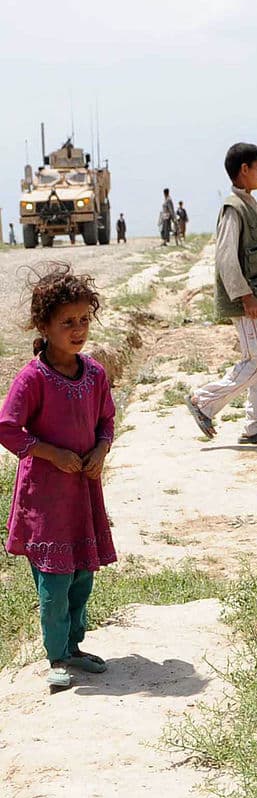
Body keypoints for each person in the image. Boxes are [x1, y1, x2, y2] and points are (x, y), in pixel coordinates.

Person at [0, 265, 117, 689]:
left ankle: (74, 646)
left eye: (84, 319)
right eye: (67, 322)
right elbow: (7, 428)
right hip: (46, 499)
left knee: (82, 574)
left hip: (82, 495)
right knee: (54, 581)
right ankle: (56, 657)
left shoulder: (95, 375)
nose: (78, 329)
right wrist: (52, 453)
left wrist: (101, 449)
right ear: (44, 325)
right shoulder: (33, 378)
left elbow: (107, 421)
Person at [185, 142, 257, 445]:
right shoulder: (234, 208)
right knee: (256, 361)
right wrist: (246, 296)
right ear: (244, 170)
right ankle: (203, 401)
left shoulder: (250, 204)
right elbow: (226, 258)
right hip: (247, 302)